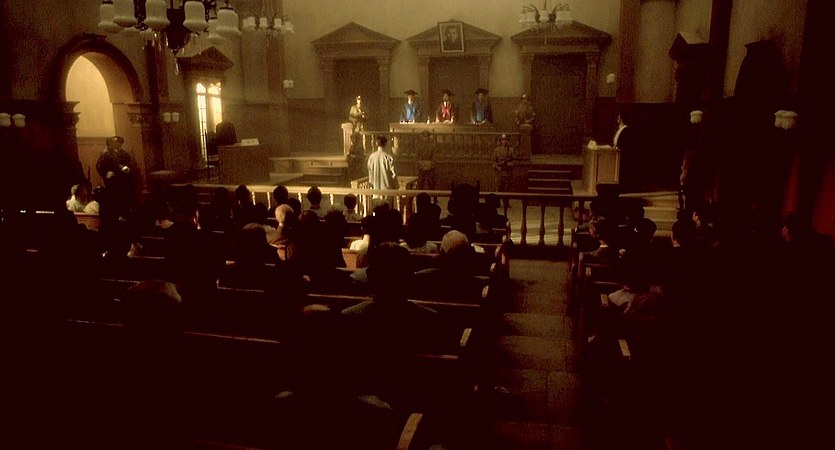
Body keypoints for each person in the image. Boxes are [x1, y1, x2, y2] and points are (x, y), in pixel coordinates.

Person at [96, 135, 137, 218]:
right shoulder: (105, 154)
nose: (116, 144)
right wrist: (106, 173)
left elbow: (130, 163)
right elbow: (99, 166)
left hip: (123, 180)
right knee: (114, 200)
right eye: (114, 142)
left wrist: (128, 168)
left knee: (124, 200)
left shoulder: (123, 153)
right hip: (113, 182)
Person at [613, 111, 637, 191]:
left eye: (618, 118)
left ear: (622, 119)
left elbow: (625, 144)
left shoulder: (626, 130)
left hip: (622, 155)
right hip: (617, 154)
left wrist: (618, 147)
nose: (617, 119)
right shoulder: (620, 129)